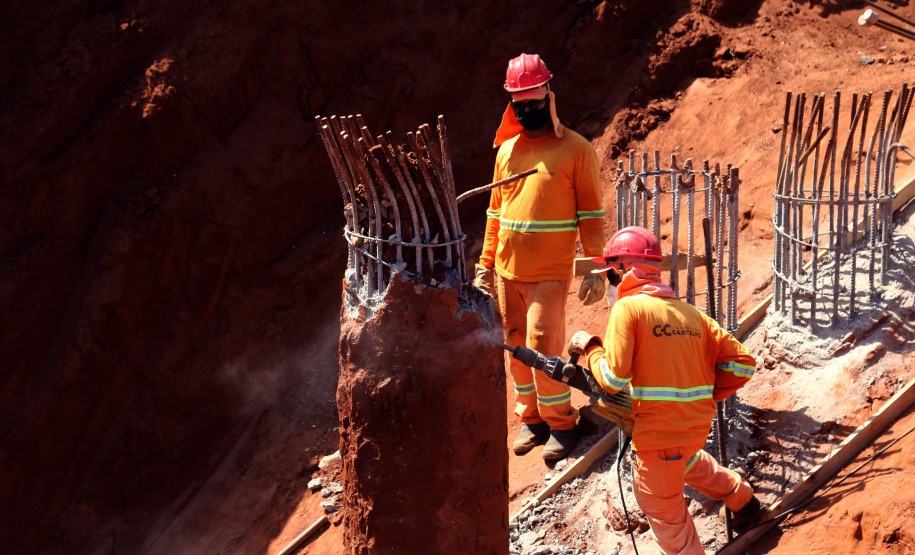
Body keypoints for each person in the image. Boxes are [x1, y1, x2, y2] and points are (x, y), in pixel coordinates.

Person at [567, 226, 767, 554]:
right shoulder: (694, 316)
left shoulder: (628, 309)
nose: (608, 285)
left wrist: (592, 349)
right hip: (691, 432)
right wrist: (705, 396)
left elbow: (613, 380)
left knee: (669, 521)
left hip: (657, 440)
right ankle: (745, 505)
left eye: (609, 276)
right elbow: (743, 364)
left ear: (622, 270)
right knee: (689, 462)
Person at [473, 53, 606, 460]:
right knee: (513, 346)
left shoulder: (576, 150)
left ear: (549, 96)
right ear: (510, 104)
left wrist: (597, 267)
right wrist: (484, 264)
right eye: (519, 104)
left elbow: (592, 214)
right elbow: (495, 213)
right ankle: (531, 420)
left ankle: (563, 425)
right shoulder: (507, 151)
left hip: (549, 274)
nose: (527, 110)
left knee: (542, 347)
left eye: (533, 102)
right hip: (506, 274)